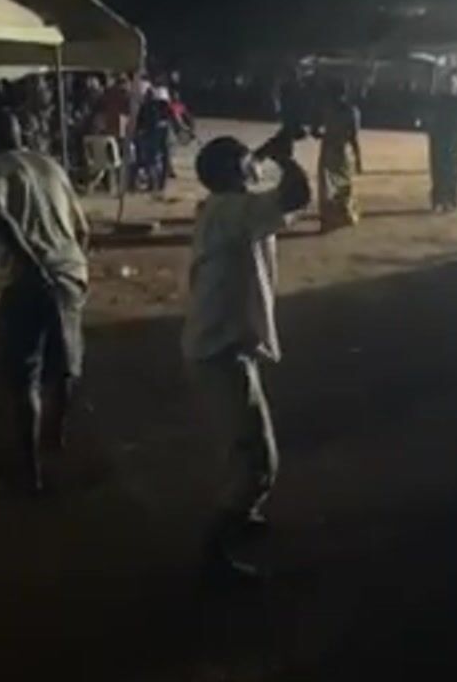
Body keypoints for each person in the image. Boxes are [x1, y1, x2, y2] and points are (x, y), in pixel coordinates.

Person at [182, 129, 311, 580]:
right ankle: (215, 549)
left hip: (222, 344)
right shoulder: (232, 211)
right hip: (221, 352)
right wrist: (283, 158)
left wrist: (269, 152)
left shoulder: (226, 209)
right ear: (233, 172)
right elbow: (296, 195)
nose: (253, 165)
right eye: (246, 161)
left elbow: (280, 202)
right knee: (258, 461)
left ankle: (245, 511)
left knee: (242, 444)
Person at [0, 112, 89, 492]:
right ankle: (56, 434)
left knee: (25, 377)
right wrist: (71, 265)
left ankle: (30, 469)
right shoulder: (50, 165)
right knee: (65, 364)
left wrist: (32, 265)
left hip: (26, 279)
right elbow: (82, 228)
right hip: (70, 272)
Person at [314, 81, 362, 232]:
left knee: (327, 186)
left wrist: (322, 134)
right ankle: (343, 216)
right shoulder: (352, 111)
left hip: (328, 149)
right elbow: (353, 137)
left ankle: (328, 220)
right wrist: (358, 158)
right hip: (342, 150)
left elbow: (315, 129)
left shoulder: (327, 109)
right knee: (342, 184)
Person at [425, 72, 457, 213]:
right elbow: (432, 121)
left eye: (453, 83)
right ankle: (439, 199)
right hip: (441, 139)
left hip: (456, 140)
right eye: (449, 83)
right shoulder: (437, 102)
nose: (451, 86)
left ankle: (450, 199)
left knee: (454, 170)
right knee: (438, 169)